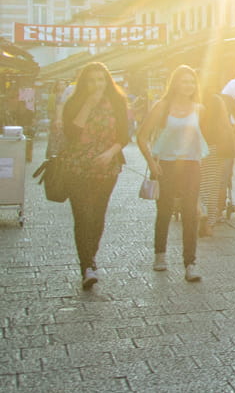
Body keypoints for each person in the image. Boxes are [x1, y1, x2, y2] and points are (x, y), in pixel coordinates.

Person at [136, 65, 210, 282]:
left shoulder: (199, 109)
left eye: (191, 82)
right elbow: (142, 136)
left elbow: (201, 138)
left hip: (191, 165)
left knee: (190, 213)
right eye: (184, 81)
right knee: (165, 211)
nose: (188, 86)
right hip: (166, 164)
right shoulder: (162, 106)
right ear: (175, 83)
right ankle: (160, 254)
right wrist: (151, 162)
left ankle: (190, 263)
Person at [61, 62, 130, 289]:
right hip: (77, 166)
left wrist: (110, 154)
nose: (96, 85)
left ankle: (91, 257)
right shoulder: (73, 103)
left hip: (107, 167)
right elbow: (71, 133)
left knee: (97, 215)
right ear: (84, 83)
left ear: (107, 81)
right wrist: (89, 105)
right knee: (82, 216)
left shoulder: (118, 103)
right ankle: (87, 266)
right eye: (91, 80)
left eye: (101, 80)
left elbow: (124, 136)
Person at [197, 89, 235, 236]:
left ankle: (200, 210)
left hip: (195, 147)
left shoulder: (192, 101)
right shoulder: (216, 100)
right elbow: (226, 125)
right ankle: (209, 224)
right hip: (215, 148)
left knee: (195, 185)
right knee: (213, 187)